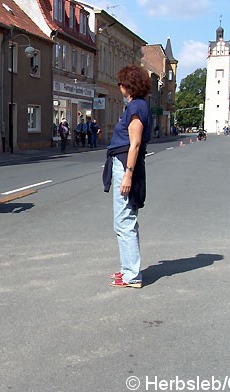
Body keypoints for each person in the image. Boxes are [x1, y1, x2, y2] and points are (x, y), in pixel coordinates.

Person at [102, 64, 152, 289]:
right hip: (123, 164)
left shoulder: (136, 108)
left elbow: (135, 143)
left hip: (126, 165)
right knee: (123, 221)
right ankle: (128, 269)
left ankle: (132, 275)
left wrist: (128, 175)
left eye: (121, 83)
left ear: (128, 85)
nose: (119, 86)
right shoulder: (137, 106)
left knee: (124, 221)